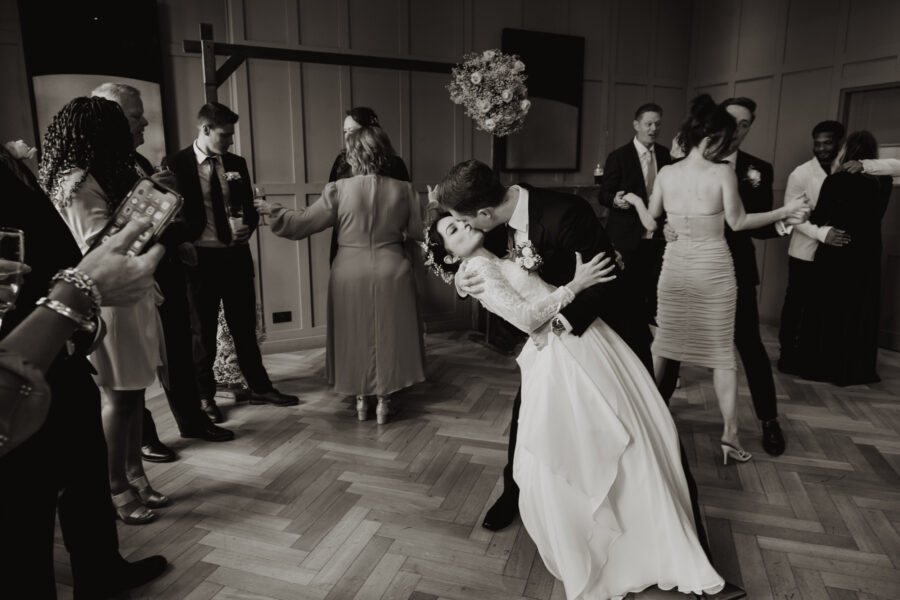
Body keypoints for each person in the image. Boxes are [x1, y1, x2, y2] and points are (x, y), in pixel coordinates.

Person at [424, 211, 725, 599]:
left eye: (460, 220)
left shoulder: (491, 248)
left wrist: (462, 279)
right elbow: (527, 318)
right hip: (557, 352)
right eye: (452, 229)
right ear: (449, 255)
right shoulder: (477, 268)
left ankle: (647, 531)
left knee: (626, 433)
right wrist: (576, 285)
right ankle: (610, 542)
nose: (463, 225)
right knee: (591, 444)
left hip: (582, 341)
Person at [0, 143, 167, 599]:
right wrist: (78, 290)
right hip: (22, 364)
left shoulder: (12, 166)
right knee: (25, 511)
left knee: (84, 464)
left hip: (58, 347)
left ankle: (101, 570)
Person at [627, 95, 809, 463]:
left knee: (670, 346)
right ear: (713, 135)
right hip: (713, 268)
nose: (735, 137)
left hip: (683, 269)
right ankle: (727, 435)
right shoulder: (722, 171)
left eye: (744, 126)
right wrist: (787, 210)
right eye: (730, 130)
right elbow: (738, 221)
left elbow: (652, 220)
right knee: (720, 357)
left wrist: (638, 203)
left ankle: (642, 421)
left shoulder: (668, 172)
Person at [39, 97, 170, 525]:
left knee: (133, 394)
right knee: (118, 396)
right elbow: (97, 244)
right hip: (104, 297)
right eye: (123, 124)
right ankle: (116, 487)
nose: (137, 127)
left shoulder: (107, 171)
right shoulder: (75, 180)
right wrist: (146, 225)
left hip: (131, 292)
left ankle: (134, 473)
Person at [93, 82, 234, 452]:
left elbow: (164, 216)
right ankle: (145, 437)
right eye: (136, 116)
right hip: (124, 281)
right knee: (131, 368)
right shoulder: (94, 171)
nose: (145, 122)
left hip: (166, 267)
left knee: (179, 350)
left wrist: (180, 236)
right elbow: (108, 234)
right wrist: (150, 193)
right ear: (108, 118)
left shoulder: (137, 162)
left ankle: (192, 420)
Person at [256, 126, 425, 424]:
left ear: (352, 155)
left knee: (354, 334)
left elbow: (302, 224)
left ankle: (361, 401)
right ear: (385, 153)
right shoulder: (405, 190)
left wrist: (274, 210)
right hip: (392, 269)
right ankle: (385, 402)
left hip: (349, 271)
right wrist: (434, 207)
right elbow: (416, 232)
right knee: (390, 334)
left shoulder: (338, 189)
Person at [167, 102, 299, 423]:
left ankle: (260, 387)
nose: (230, 141)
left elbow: (249, 208)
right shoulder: (175, 164)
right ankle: (204, 396)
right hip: (199, 260)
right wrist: (182, 242)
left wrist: (248, 228)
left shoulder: (236, 163)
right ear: (205, 129)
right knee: (203, 331)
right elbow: (170, 214)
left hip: (235, 256)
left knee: (244, 328)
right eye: (224, 135)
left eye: (231, 135)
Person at [797, 131, 892, 386]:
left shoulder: (836, 180)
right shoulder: (883, 182)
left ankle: (824, 364)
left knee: (830, 306)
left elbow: (819, 218)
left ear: (847, 151)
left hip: (838, 247)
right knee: (859, 307)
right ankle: (855, 367)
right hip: (868, 249)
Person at [776, 121, 851, 374]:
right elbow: (793, 217)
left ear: (839, 142)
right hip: (804, 252)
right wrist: (822, 234)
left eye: (827, 142)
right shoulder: (801, 174)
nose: (821, 148)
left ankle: (815, 357)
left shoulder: (848, 170)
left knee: (822, 308)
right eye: (817, 143)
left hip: (835, 257)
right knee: (796, 305)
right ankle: (787, 355)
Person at [600, 102, 672, 324]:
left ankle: (650, 340)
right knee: (626, 293)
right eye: (648, 124)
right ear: (636, 125)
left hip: (658, 236)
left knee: (653, 290)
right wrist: (616, 200)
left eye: (657, 124)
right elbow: (604, 194)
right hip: (626, 236)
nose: (653, 129)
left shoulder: (665, 154)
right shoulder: (619, 156)